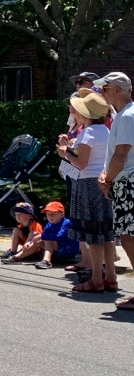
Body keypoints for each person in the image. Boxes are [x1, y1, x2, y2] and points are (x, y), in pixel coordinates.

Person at [56, 90, 117, 291]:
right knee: (106, 233)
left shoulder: (88, 132)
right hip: (102, 183)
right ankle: (110, 277)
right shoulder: (105, 130)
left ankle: (96, 279)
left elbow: (81, 163)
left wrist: (65, 154)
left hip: (88, 185)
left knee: (93, 235)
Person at [94, 72, 134, 310]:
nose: (102, 92)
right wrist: (106, 174)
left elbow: (121, 155)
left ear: (118, 90)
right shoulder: (123, 115)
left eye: (105, 88)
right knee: (128, 237)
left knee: (129, 237)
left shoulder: (128, 116)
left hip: (128, 183)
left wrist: (106, 179)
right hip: (124, 180)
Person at [36, 201, 79, 269]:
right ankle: (18, 256)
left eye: (53, 214)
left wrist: (41, 236)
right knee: (38, 241)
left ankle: (46, 261)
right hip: (58, 248)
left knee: (48, 239)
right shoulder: (50, 223)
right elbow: (43, 233)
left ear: (62, 214)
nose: (50, 216)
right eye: (48, 214)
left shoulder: (66, 222)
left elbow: (58, 236)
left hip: (69, 251)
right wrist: (31, 242)